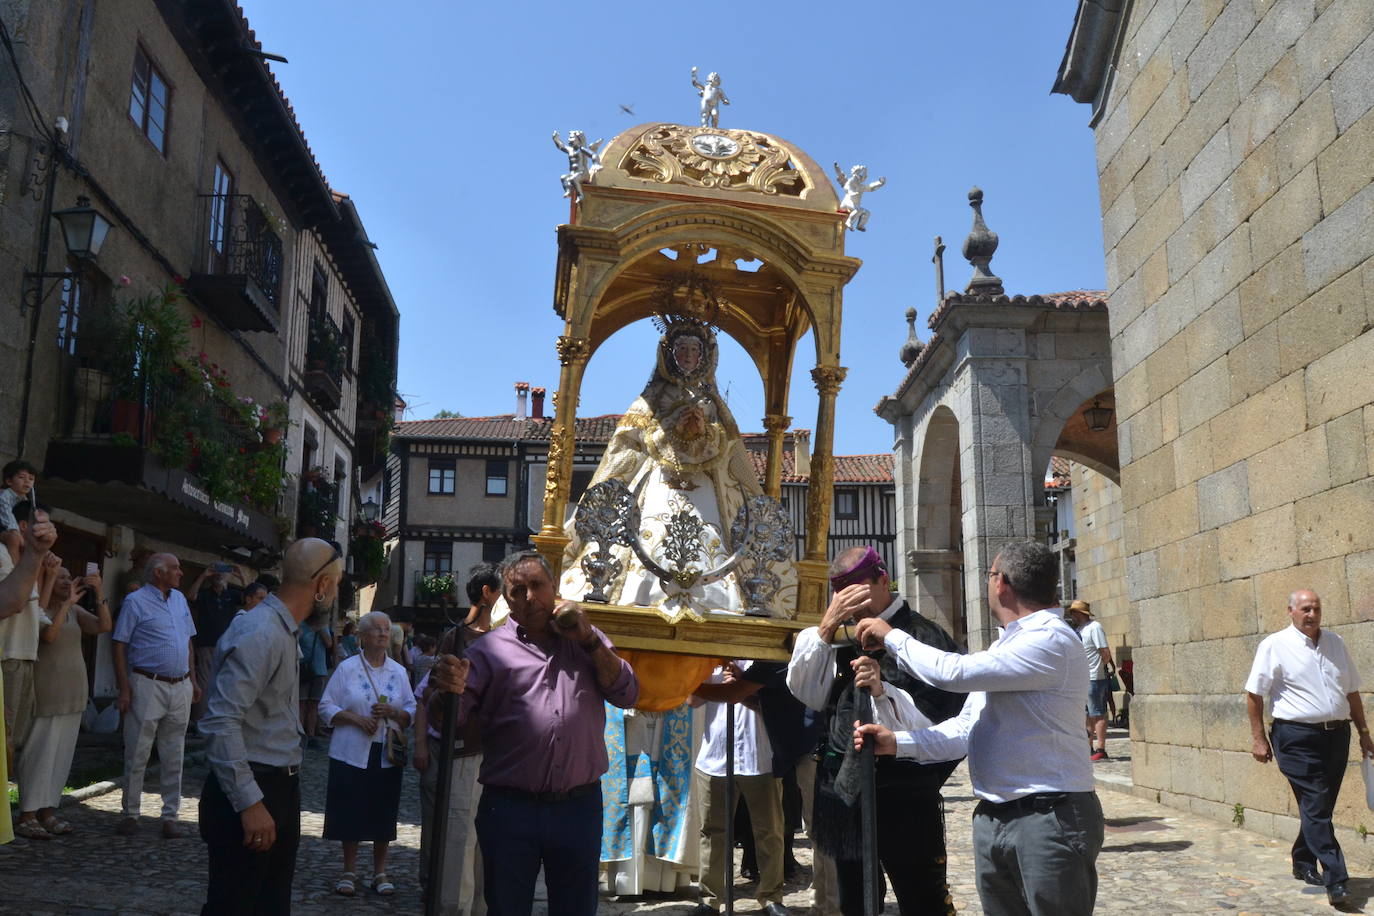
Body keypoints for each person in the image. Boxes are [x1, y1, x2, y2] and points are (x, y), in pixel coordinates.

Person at [854, 540, 1104, 916]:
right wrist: (896, 743)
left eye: (989, 575)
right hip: (998, 814)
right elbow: (964, 729)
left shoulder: (1049, 638)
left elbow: (952, 673)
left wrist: (891, 636)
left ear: (1000, 582)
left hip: (1048, 815)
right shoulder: (1009, 645)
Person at [432, 549, 639, 916]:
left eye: (537, 586)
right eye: (517, 590)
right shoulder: (487, 651)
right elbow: (447, 720)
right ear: (505, 598)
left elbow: (627, 693)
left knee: (576, 909)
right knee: (507, 908)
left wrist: (589, 640)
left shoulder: (587, 640)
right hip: (509, 808)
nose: (529, 597)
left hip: (578, 807)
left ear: (553, 587)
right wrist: (446, 689)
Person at [560, 310, 795, 620]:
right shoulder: (652, 399)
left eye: (694, 350)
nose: (687, 355)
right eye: (681, 349)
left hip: (707, 484)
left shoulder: (712, 402)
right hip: (660, 479)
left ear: (704, 356)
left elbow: (729, 445)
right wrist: (672, 426)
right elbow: (630, 440)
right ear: (669, 354)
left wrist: (704, 432)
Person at [787, 546, 966, 916]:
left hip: (904, 794)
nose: (853, 607)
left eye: (859, 593)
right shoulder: (838, 637)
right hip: (844, 790)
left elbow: (945, 719)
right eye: (843, 598)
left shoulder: (922, 635)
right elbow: (807, 693)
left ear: (883, 580)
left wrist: (884, 691)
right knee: (854, 901)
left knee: (923, 899)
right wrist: (826, 627)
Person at [199, 537, 344, 915]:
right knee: (234, 906)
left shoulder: (283, 629)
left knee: (271, 904)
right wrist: (249, 802)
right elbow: (220, 720)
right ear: (323, 585)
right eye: (337, 584)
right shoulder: (261, 631)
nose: (336, 593)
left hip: (278, 785)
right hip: (252, 789)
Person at [1245, 589, 1374, 907]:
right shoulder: (1274, 645)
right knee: (1316, 802)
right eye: (1305, 609)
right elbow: (1254, 694)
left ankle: (1303, 859)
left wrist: (1364, 732)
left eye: (1316, 608)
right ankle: (1336, 879)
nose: (1311, 614)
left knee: (1320, 805)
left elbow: (1352, 691)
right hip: (1296, 737)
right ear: (1290, 610)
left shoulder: (1335, 643)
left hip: (1337, 735)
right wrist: (1259, 738)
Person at [414, 562, 501, 916]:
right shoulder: (458, 637)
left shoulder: (506, 634)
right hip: (464, 750)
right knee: (457, 836)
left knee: (487, 842)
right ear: (488, 592)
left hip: (496, 753)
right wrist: (422, 742)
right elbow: (431, 695)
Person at [318, 611, 415, 897]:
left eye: (386, 629)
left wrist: (394, 712)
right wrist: (355, 719)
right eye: (377, 629)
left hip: (386, 753)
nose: (383, 633)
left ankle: (380, 871)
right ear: (363, 635)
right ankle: (349, 870)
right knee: (350, 810)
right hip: (350, 751)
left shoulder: (398, 672)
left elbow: (411, 709)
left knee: (383, 810)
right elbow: (325, 706)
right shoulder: (347, 668)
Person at [14, 565, 111, 838]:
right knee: (39, 755)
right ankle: (27, 814)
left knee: (60, 758)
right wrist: (66, 604)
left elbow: (103, 626)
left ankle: (47, 811)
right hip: (47, 692)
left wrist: (99, 591)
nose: (68, 582)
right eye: (61, 578)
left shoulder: (75, 611)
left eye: (70, 578)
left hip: (73, 693)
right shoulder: (40, 608)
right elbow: (48, 636)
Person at [112, 552, 201, 838]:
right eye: (175, 568)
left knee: (174, 753)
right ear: (159, 573)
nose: (180, 573)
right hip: (147, 683)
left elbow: (187, 642)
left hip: (180, 685)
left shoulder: (180, 600)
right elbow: (119, 644)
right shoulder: (135, 601)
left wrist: (193, 680)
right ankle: (131, 813)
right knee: (137, 750)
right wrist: (124, 688)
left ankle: (170, 816)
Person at [691, 661, 789, 916]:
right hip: (715, 755)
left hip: (759, 755)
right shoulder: (711, 660)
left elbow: (778, 705)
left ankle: (771, 897)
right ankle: (709, 899)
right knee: (712, 832)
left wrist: (742, 686)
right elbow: (691, 700)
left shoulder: (766, 660)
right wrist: (709, 679)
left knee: (769, 831)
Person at [0, 504, 58, 848]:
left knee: (12, 742)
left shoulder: (25, 561)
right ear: (22, 525)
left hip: (23, 656)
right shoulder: (3, 554)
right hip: (7, 656)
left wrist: (38, 561)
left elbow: (35, 611)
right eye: (39, 522)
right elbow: (12, 603)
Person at [188, 563, 245, 725]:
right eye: (217, 572)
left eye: (223, 572)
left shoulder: (232, 594)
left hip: (227, 645)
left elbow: (250, 597)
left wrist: (240, 576)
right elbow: (191, 596)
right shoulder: (205, 594)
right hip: (206, 643)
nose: (220, 575)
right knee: (204, 682)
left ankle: (217, 718)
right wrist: (203, 575)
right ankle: (199, 720)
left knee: (225, 682)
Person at [1066, 599, 1114, 761]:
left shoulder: (1095, 627)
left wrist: (1099, 668)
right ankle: (1088, 747)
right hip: (1082, 679)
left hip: (1094, 677)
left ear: (1079, 613)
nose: (1071, 615)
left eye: (1073, 612)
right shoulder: (1079, 629)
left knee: (1098, 713)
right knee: (1086, 714)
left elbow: (1104, 651)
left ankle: (1101, 748)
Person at [297, 616, 333, 748]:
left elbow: (329, 644)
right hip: (304, 669)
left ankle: (310, 736)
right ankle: (301, 736)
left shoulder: (322, 625)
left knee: (313, 705)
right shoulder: (300, 624)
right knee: (302, 704)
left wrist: (321, 629)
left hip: (318, 670)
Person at [0, 459, 37, 564]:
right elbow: (7, 515)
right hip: (3, 526)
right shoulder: (4, 495)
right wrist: (16, 532)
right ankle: (14, 568)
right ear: (9, 481)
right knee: (14, 538)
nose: (27, 482)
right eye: (22, 477)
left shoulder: (26, 500)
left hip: (12, 528)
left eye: (31, 479)